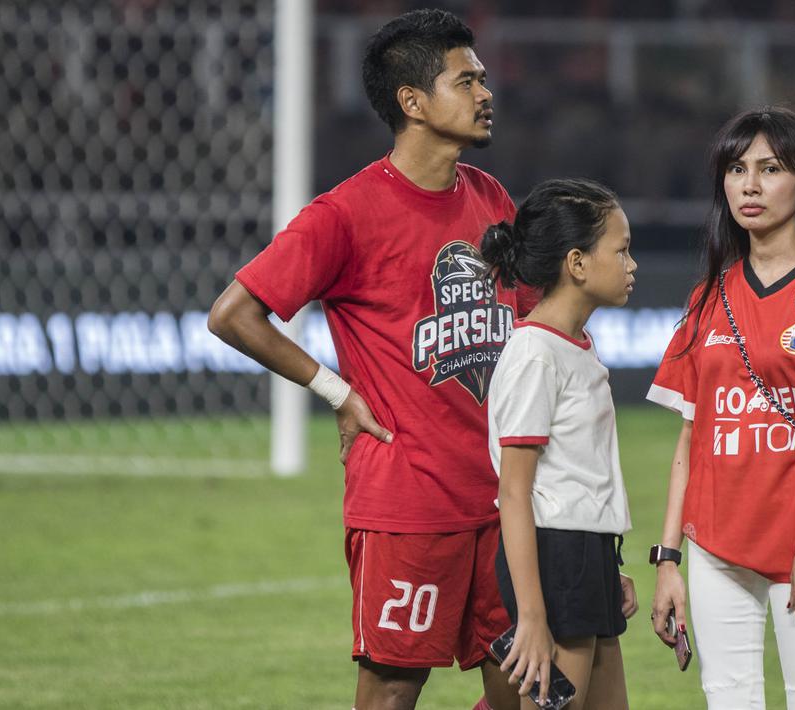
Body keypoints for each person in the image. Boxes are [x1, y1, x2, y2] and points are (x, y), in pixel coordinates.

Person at [207, 10, 528, 710]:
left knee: (523, 688)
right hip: (408, 499)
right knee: (391, 688)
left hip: (501, 496)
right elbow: (233, 314)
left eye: (482, 78)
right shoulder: (345, 214)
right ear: (412, 102)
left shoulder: (490, 200)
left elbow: (527, 328)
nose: (484, 92)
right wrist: (334, 390)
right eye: (465, 80)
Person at [646, 106, 795, 709]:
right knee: (727, 700)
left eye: (770, 168)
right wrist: (669, 558)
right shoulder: (707, 296)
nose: (749, 185)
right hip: (714, 544)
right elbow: (690, 439)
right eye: (736, 169)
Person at [481, 178, 639, 710]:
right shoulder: (534, 354)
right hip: (555, 557)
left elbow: (575, 473)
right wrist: (532, 616)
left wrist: (605, 567)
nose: (631, 264)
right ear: (576, 263)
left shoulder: (574, 345)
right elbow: (515, 492)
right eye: (620, 251)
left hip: (584, 553)